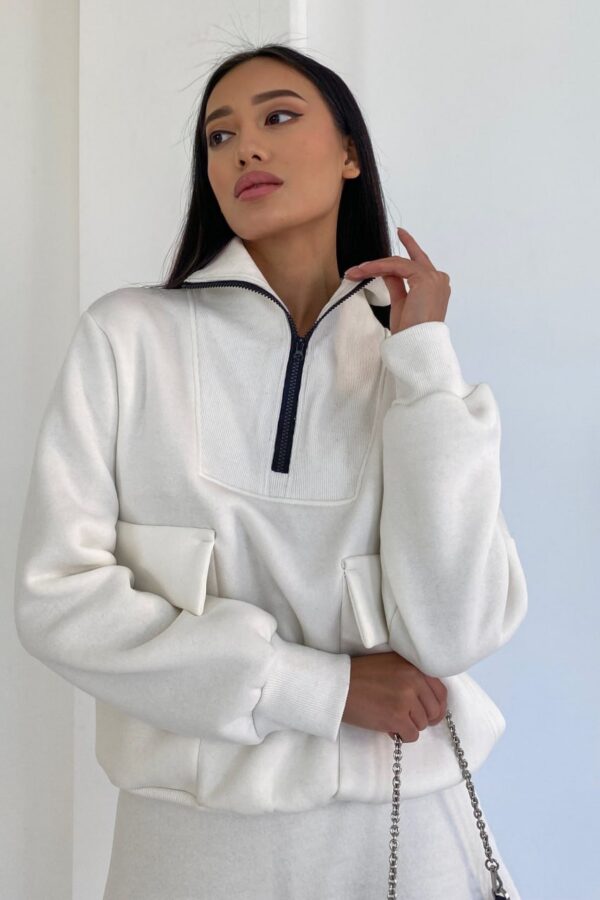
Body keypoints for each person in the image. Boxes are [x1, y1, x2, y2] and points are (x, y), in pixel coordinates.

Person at [14, 42, 528, 899]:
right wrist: (321, 689)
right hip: (192, 844)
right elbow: (57, 598)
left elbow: (453, 632)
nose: (245, 147)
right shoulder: (128, 339)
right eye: (219, 136)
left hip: (407, 824)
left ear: (350, 152)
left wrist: (427, 363)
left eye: (278, 117)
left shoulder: (408, 360)